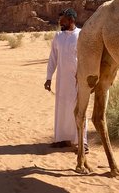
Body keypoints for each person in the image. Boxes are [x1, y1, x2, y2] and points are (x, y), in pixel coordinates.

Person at [44, 8, 88, 151]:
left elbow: (86, 58)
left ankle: (82, 141)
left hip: (77, 80)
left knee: (79, 109)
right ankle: (61, 139)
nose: (59, 22)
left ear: (71, 20)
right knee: (62, 108)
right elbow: (53, 59)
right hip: (62, 81)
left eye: (62, 20)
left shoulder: (81, 34)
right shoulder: (58, 36)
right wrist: (49, 77)